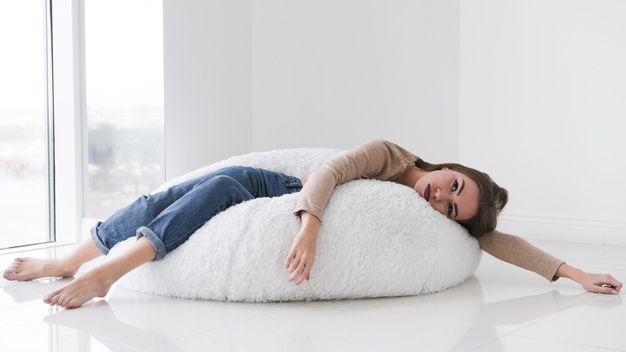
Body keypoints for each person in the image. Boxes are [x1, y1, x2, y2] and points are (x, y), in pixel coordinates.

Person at [3, 139, 622, 309]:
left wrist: (572, 271)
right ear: (451, 165)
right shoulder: (394, 157)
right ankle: (70, 259)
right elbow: (328, 172)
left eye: (450, 210)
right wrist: (309, 227)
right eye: (453, 186)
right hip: (280, 190)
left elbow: (496, 239)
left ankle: (113, 269)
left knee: (212, 188)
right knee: (160, 198)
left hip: (252, 192)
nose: (441, 199)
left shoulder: (432, 217)